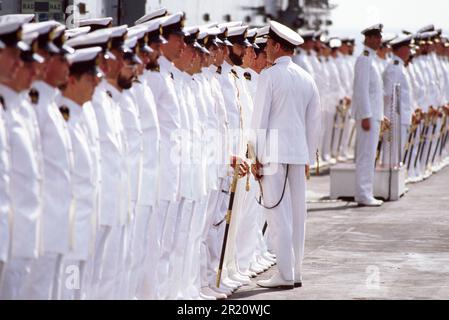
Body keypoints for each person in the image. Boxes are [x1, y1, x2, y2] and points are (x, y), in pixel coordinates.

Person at [250, 20, 321, 289]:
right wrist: (308, 156)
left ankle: (284, 273)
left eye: (268, 45)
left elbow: (260, 120)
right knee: (298, 214)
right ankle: (297, 272)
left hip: (273, 154)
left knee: (278, 215)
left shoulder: (269, 76)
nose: (266, 50)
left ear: (277, 46)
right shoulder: (307, 78)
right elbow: (314, 123)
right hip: (298, 154)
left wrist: (255, 155)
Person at [58, 47, 103, 300]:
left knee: (80, 282)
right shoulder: (61, 115)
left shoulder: (82, 112)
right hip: (69, 221)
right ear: (72, 80)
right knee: (68, 281)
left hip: (86, 214)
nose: (96, 81)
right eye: (90, 77)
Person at [352, 24, 385, 207]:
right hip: (368, 116)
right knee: (365, 156)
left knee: (369, 155)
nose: (380, 40)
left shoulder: (372, 59)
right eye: (377, 37)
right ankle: (363, 194)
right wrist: (365, 115)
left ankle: (366, 192)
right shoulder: (364, 60)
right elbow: (361, 90)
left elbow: (374, 91)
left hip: (373, 115)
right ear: (369, 38)